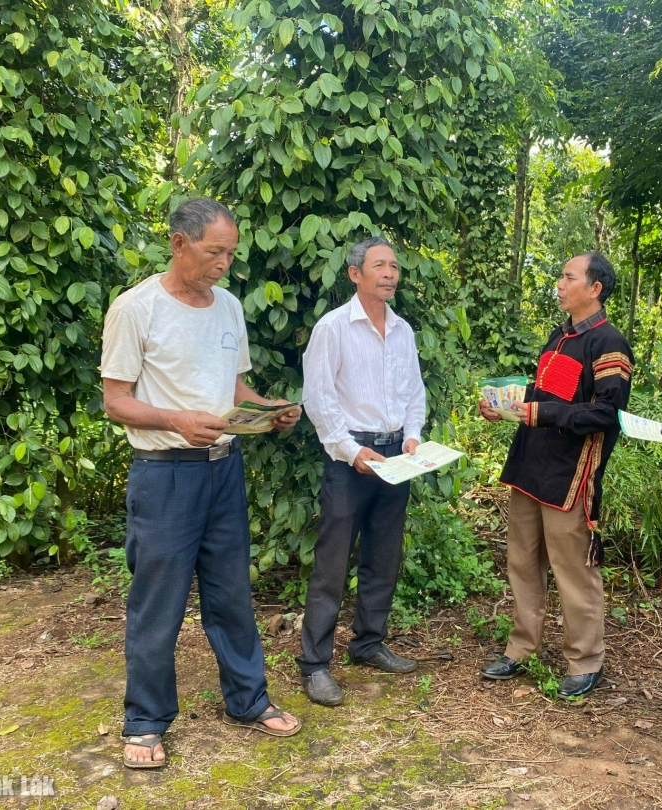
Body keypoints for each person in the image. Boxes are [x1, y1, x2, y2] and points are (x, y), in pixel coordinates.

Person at [101, 198, 302, 769]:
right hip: (164, 474)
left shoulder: (229, 307)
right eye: (215, 252)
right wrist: (175, 420)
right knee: (158, 601)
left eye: (231, 254)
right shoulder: (136, 308)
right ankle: (145, 721)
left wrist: (269, 409)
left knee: (231, 592)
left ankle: (248, 700)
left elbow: (233, 387)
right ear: (178, 243)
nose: (224, 264)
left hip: (223, 470)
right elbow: (116, 401)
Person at [478, 253, 634, 698]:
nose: (560, 284)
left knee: (572, 570)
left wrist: (540, 413)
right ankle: (521, 648)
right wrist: (507, 405)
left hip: (571, 474)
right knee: (522, 561)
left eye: (569, 277)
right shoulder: (560, 336)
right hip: (531, 465)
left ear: (595, 288)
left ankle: (585, 660)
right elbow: (547, 393)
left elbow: (606, 413)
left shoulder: (610, 344)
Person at [298, 236, 427, 706]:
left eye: (394, 266)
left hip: (396, 457)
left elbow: (414, 392)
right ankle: (314, 664)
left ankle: (368, 643)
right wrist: (351, 451)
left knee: (384, 555)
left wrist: (412, 435)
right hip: (349, 458)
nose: (390, 273)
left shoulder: (403, 330)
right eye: (380, 266)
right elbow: (318, 398)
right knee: (332, 563)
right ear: (355, 274)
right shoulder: (333, 328)